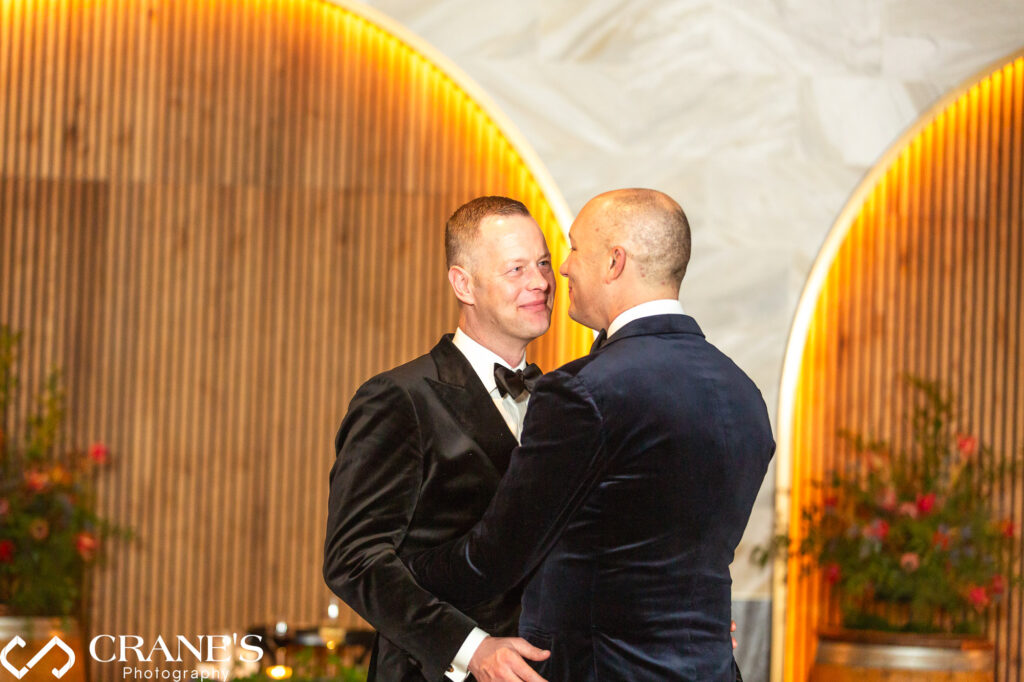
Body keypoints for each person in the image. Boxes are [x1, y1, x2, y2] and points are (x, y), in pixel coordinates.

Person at [409, 189, 775, 681]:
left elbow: (495, 561)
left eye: (573, 248)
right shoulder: (744, 393)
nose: (561, 268)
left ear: (614, 261)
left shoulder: (584, 391)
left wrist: (401, 570)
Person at [323, 196, 555, 682]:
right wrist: (472, 649)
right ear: (463, 283)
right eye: (516, 269)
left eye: (543, 264)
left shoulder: (563, 402)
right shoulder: (398, 398)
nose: (539, 282)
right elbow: (355, 560)